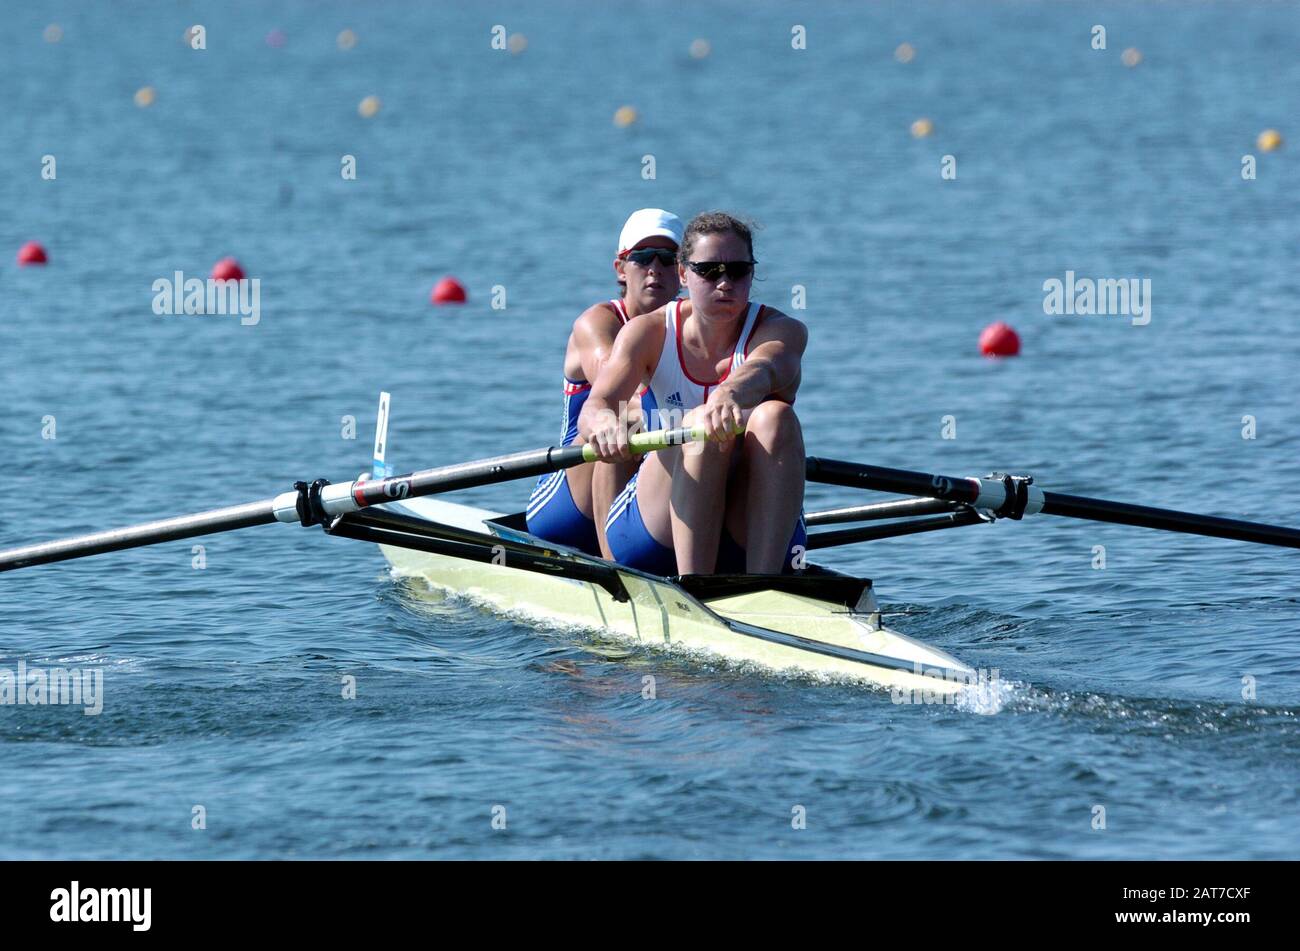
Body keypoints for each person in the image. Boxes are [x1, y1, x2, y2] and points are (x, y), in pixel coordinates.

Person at [579, 211, 807, 576]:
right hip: (652, 533)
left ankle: (765, 586)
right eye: (709, 270)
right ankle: (696, 587)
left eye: (737, 270)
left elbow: (764, 368)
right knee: (703, 430)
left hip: (742, 528)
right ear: (683, 274)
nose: (724, 283)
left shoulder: (782, 330)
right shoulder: (647, 333)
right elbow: (597, 405)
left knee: (775, 417)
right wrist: (604, 425)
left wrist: (730, 392)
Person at [526, 209, 684, 556]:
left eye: (668, 258)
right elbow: (625, 397)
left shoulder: (694, 326)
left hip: (644, 488)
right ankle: (614, 570)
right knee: (620, 420)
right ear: (621, 269)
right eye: (642, 258)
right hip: (567, 509)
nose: (655, 268)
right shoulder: (597, 324)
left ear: (684, 270)